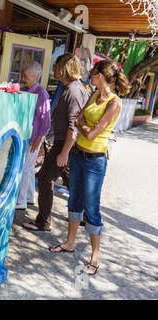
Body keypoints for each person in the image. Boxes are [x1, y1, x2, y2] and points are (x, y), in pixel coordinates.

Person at [49, 60, 130, 276]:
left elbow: (93, 133)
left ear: (100, 75)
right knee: (74, 199)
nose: (89, 77)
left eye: (93, 73)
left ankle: (94, 257)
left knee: (91, 207)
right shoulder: (94, 94)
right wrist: (85, 126)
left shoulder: (114, 103)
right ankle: (69, 243)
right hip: (78, 155)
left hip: (95, 160)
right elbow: (77, 119)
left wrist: (84, 127)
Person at [22, 53, 88, 231]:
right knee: (70, 180)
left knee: (45, 177)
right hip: (65, 142)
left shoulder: (73, 90)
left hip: (65, 142)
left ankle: (43, 221)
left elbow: (73, 126)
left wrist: (64, 151)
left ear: (65, 68)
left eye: (56, 66)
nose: (53, 69)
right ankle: (84, 215)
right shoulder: (71, 88)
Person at [16, 61, 51, 210]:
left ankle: (21, 200)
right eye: (23, 75)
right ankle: (30, 197)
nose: (23, 79)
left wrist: (39, 140)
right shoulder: (25, 90)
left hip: (34, 137)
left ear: (35, 76)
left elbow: (46, 120)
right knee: (29, 168)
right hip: (26, 136)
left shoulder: (41, 93)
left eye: (26, 76)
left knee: (24, 168)